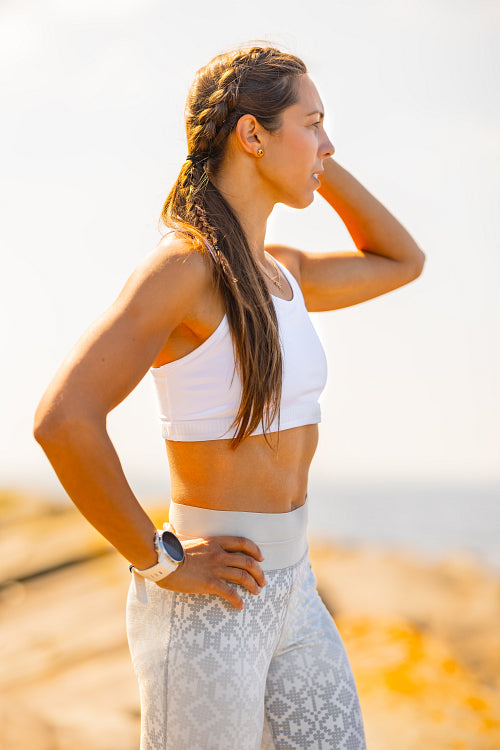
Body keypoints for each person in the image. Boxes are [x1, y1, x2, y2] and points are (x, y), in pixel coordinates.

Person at [34, 45, 425, 750]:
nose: (329, 144)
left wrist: (313, 157)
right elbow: (63, 420)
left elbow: (404, 260)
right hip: (210, 601)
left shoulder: (286, 274)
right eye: (314, 122)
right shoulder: (183, 269)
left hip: (294, 592)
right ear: (252, 134)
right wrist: (160, 560)